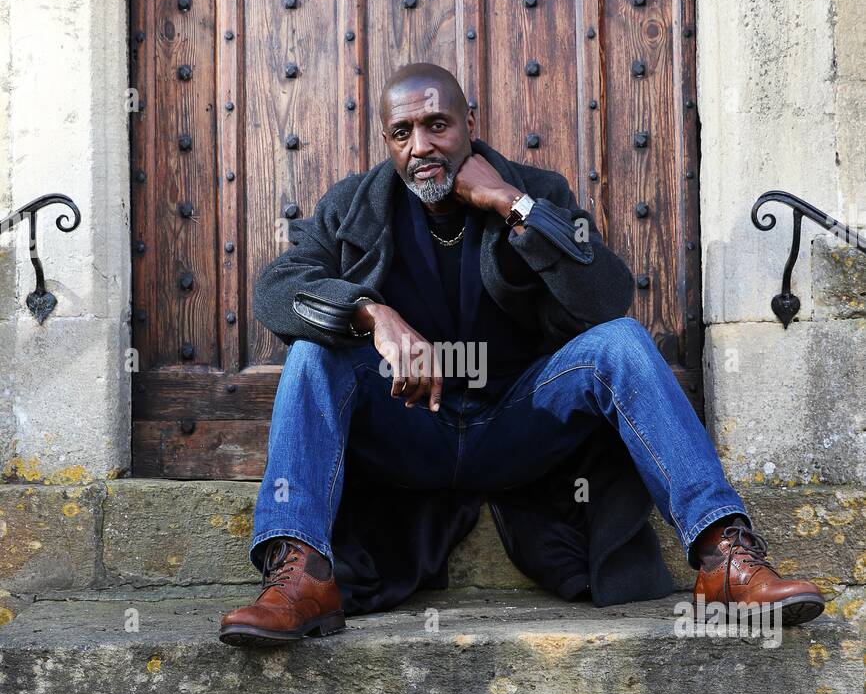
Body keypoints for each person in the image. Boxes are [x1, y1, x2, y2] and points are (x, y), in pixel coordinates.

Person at [219, 63, 824, 645]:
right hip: (412, 430)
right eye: (402, 133)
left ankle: (724, 557)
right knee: (310, 356)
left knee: (622, 343)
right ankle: (300, 576)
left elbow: (607, 295)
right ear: (387, 142)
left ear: (469, 123)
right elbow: (276, 291)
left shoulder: (537, 190)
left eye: (437, 125)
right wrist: (370, 313)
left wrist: (513, 205)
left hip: (517, 424)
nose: (421, 145)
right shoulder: (353, 206)